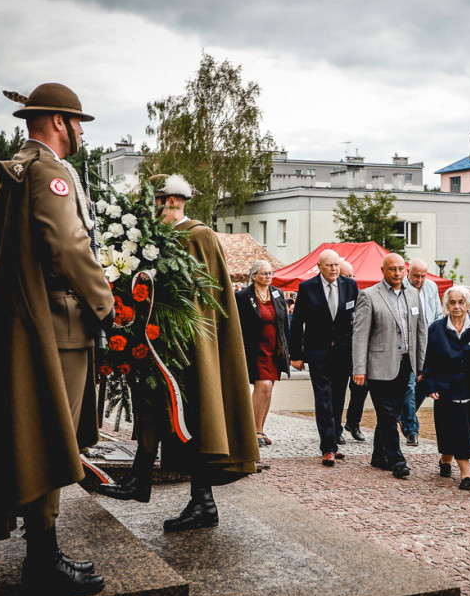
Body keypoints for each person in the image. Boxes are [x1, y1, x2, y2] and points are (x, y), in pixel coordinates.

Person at [0, 82, 113, 596]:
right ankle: (42, 559)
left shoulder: (21, 167)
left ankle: (41, 549)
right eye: (77, 123)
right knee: (49, 438)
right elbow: (67, 243)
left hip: (34, 322)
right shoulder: (48, 171)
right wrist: (106, 302)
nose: (81, 133)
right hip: (58, 325)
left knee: (36, 436)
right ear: (59, 122)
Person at [98, 174, 259, 531]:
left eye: (156, 202)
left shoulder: (199, 235)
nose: (151, 210)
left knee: (197, 419)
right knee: (152, 410)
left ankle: (203, 502)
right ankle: (139, 480)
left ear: (172, 201)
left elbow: (202, 298)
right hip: (161, 342)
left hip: (191, 347)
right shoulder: (159, 238)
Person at [352, 253, 428, 479]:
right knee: (386, 414)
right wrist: (359, 368)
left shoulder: (413, 294)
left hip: (406, 363)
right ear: (383, 270)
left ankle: (378, 456)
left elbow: (420, 330)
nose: (397, 273)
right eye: (392, 269)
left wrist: (421, 365)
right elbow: (359, 335)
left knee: (391, 413)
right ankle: (397, 459)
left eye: (400, 269)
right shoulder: (368, 295)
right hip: (379, 365)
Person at [290, 249, 360, 465]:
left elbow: (356, 320)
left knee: (338, 398)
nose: (333, 269)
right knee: (323, 399)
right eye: (329, 265)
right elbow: (297, 323)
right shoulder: (307, 287)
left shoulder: (350, 286)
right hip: (318, 351)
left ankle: (334, 438)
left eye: (336, 265)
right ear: (319, 266)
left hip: (343, 352)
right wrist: (296, 355)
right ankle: (327, 447)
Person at [420, 286, 470, 490]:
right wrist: (429, 385)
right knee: (454, 425)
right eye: (452, 302)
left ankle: (445, 459)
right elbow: (429, 361)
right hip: (446, 387)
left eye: (461, 302)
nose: (457, 306)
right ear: (446, 306)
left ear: (468, 305)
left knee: (465, 428)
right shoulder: (436, 328)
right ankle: (466, 470)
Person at [237, 260, 290, 447]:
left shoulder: (277, 293)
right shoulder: (243, 296)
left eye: (270, 273)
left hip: (274, 348)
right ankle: (253, 431)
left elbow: (284, 322)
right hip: (256, 348)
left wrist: (285, 346)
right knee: (263, 386)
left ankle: (260, 429)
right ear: (254, 276)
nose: (268, 276)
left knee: (268, 389)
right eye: (264, 273)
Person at [398, 258, 443, 445]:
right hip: (409, 345)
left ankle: (404, 415)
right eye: (416, 276)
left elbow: (438, 313)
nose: (419, 280)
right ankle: (411, 429)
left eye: (423, 276)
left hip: (429, 345)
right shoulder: (400, 288)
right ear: (408, 272)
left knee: (425, 385)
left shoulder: (431, 287)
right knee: (409, 385)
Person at [340, 260, 367, 442]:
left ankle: (353, 423)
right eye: (347, 276)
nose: (351, 279)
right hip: (340, 350)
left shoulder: (359, 294)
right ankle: (335, 427)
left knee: (361, 387)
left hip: (358, 351)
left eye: (352, 275)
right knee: (339, 390)